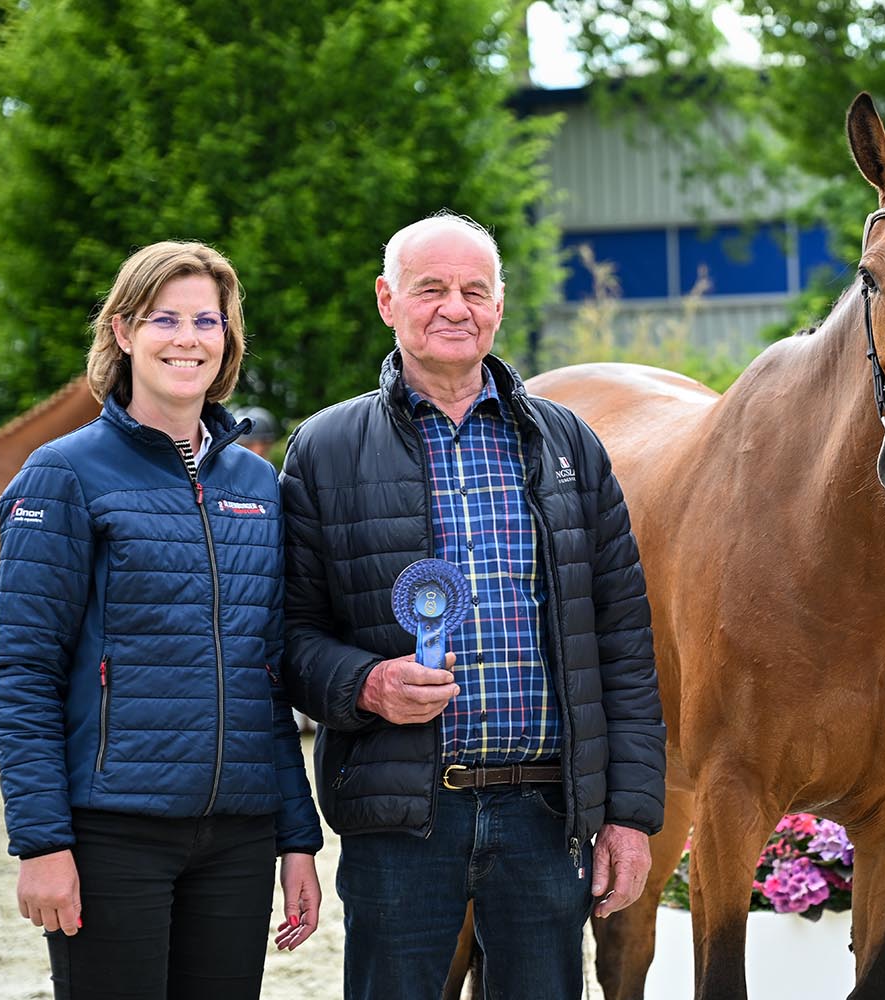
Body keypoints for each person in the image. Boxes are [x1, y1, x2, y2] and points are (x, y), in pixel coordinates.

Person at [280, 211, 665, 999]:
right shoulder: (324, 448)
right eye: (430, 289)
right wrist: (365, 685)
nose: (454, 307)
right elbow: (288, 638)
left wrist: (628, 816)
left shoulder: (569, 445)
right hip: (400, 814)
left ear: (498, 304)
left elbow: (624, 639)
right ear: (387, 300)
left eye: (473, 290)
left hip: (544, 812)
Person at [0, 241, 324, 999]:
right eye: (164, 318)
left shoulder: (258, 484)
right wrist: (42, 843)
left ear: (227, 338)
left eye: (207, 320)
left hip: (238, 837)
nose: (188, 338)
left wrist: (297, 840)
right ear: (122, 332)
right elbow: (23, 674)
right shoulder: (64, 473)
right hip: (114, 832)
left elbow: (264, 676)